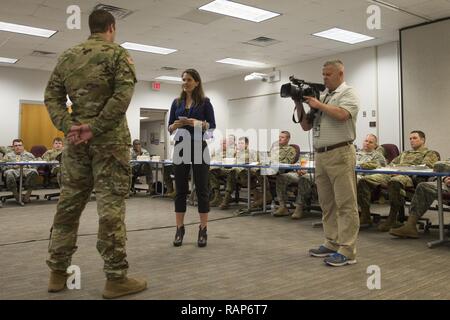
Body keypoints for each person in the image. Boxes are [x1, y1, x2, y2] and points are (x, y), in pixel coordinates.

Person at [44, 9, 147, 299]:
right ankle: (115, 279)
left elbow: (50, 96)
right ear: (111, 28)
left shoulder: (67, 56)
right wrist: (97, 128)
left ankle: (57, 272)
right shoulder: (117, 54)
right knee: (110, 208)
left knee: (69, 205)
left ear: (91, 28)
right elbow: (122, 97)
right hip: (110, 143)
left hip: (76, 142)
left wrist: (70, 126)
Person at [296, 60, 360, 267]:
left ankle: (348, 250)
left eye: (328, 74)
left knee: (346, 204)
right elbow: (306, 126)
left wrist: (319, 104)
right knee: (327, 203)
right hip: (321, 156)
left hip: (340, 152)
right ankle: (332, 242)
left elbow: (342, 115)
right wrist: (299, 103)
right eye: (323, 74)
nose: (324, 78)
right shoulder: (322, 96)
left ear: (341, 73)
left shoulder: (348, 93)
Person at [168, 68, 216, 247]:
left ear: (196, 82)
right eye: (183, 80)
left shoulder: (205, 102)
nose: (185, 82)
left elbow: (212, 126)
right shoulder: (176, 102)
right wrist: (175, 125)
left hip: (199, 147)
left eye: (188, 79)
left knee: (202, 189)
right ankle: (179, 228)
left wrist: (200, 124)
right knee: (180, 190)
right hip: (180, 147)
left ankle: (203, 229)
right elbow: (169, 128)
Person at [357, 130, 439, 232]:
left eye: (414, 138)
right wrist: (392, 169)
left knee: (394, 181)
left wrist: (402, 170)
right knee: (364, 181)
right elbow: (391, 164)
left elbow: (425, 167)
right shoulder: (405, 153)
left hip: (408, 177)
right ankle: (366, 216)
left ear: (422, 140)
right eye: (410, 138)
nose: (411, 141)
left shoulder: (430, 153)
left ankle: (392, 218)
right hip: (391, 173)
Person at [252, 131, 297, 209]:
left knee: (260, 172)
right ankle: (265, 194)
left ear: (288, 139)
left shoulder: (291, 149)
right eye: (279, 137)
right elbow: (269, 158)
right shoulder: (275, 148)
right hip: (270, 167)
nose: (280, 139)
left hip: (280, 170)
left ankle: (267, 195)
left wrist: (273, 162)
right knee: (255, 171)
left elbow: (288, 162)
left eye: (282, 137)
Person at [218, 136, 258, 210]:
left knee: (235, 172)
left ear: (247, 144)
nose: (240, 145)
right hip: (237, 172)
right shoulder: (237, 153)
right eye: (239, 143)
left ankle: (226, 199)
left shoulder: (252, 152)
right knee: (232, 172)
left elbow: (255, 163)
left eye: (242, 143)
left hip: (249, 172)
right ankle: (226, 198)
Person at [2, 139, 38, 203]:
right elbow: (3, 167)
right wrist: (13, 166)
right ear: (13, 147)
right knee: (9, 173)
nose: (18, 147)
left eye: (20, 145)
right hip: (13, 170)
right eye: (15, 145)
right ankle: (16, 195)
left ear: (23, 146)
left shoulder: (29, 155)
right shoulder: (8, 155)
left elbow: (35, 165)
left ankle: (28, 194)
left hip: (26, 170)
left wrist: (27, 166)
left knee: (34, 172)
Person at [209, 135, 237, 207]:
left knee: (232, 172)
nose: (222, 145)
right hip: (219, 169)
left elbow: (234, 160)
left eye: (224, 143)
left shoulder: (233, 150)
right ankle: (217, 195)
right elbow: (212, 159)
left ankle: (227, 197)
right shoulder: (217, 150)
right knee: (209, 172)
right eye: (221, 143)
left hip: (229, 169)